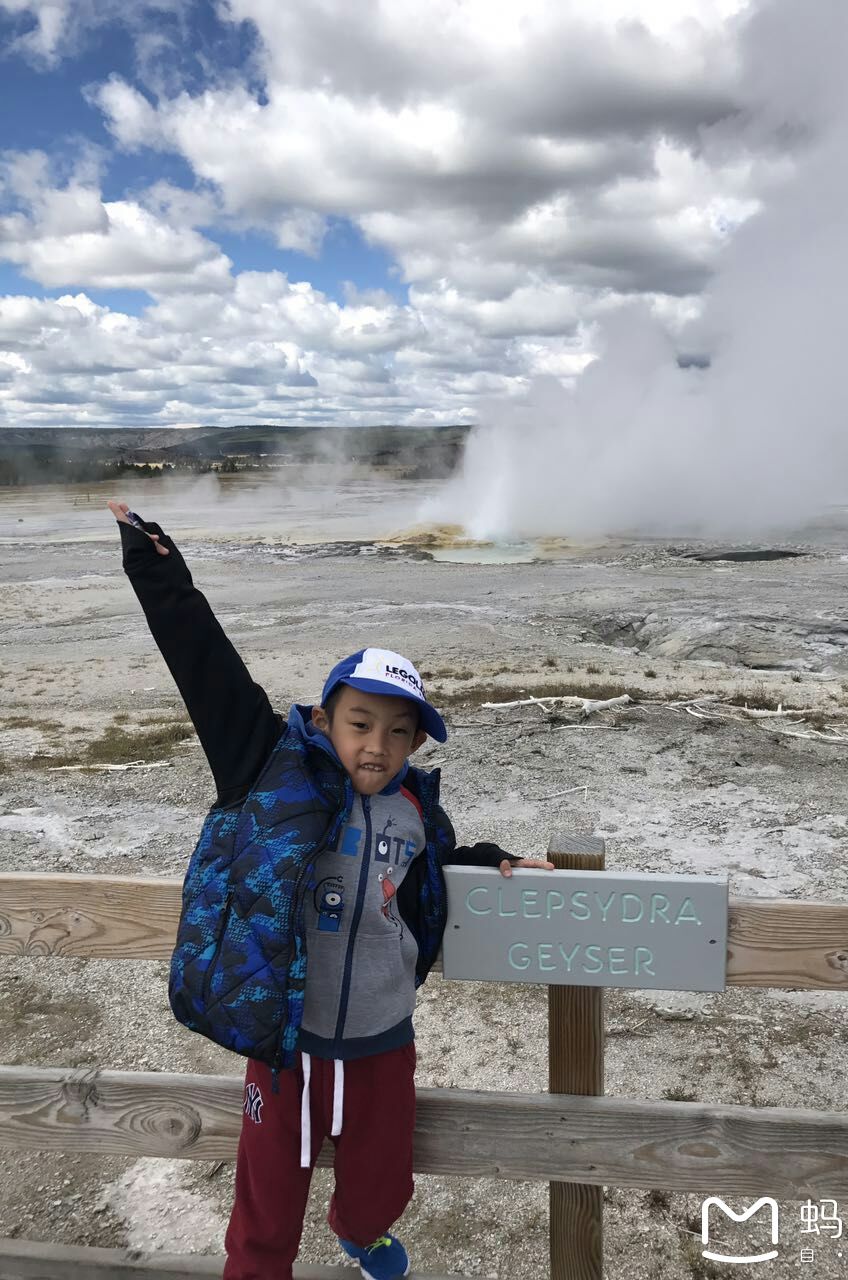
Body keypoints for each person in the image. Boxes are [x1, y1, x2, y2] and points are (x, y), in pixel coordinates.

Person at [108, 500, 553, 1280]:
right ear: (324, 717)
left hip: (385, 1037)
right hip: (287, 1040)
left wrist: (495, 859)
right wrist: (157, 565)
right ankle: (256, 1270)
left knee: (383, 1174)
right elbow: (202, 662)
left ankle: (359, 1230)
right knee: (269, 1190)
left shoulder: (416, 808)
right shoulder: (265, 766)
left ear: (416, 741)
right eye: (359, 723)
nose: (376, 745)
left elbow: (431, 873)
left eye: (396, 731)